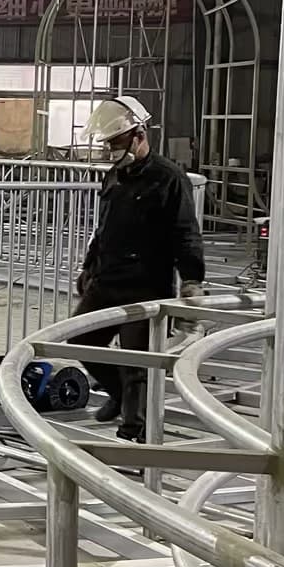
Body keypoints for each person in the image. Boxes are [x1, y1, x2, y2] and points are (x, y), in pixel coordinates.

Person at [69, 95, 206, 442]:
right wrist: (89, 267)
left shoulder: (169, 178)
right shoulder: (115, 176)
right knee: (81, 340)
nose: (111, 150)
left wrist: (192, 280)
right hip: (107, 279)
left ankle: (134, 432)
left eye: (116, 142)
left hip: (145, 284)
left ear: (139, 134)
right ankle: (117, 395)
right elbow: (103, 228)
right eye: (108, 144)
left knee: (136, 363)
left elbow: (185, 232)